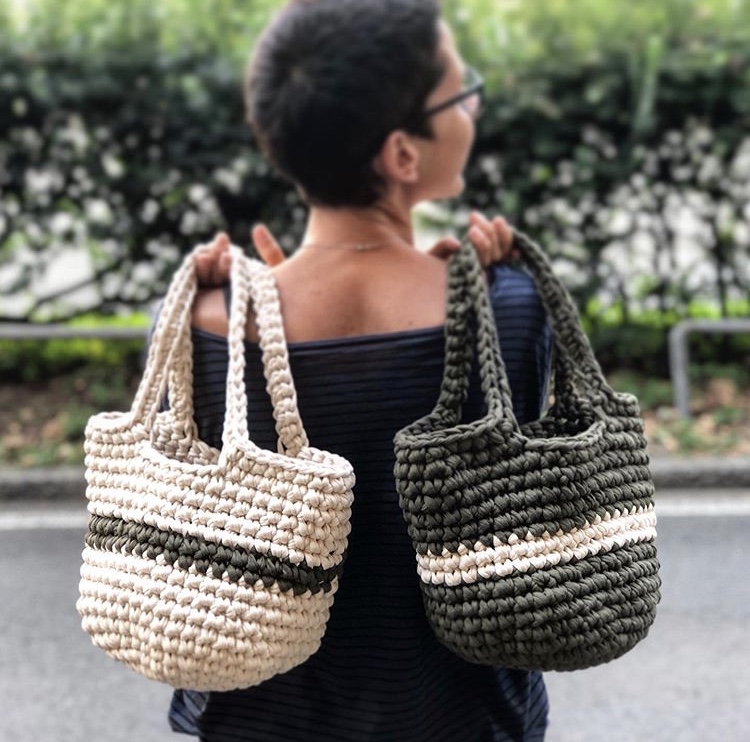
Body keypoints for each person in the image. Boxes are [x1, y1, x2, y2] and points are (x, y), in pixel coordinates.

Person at [171, 1, 552, 739]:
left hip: (260, 718)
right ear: (403, 155)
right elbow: (522, 491)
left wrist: (275, 306)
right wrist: (488, 287)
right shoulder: (505, 306)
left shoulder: (209, 319)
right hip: (461, 716)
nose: (472, 107)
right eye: (460, 93)